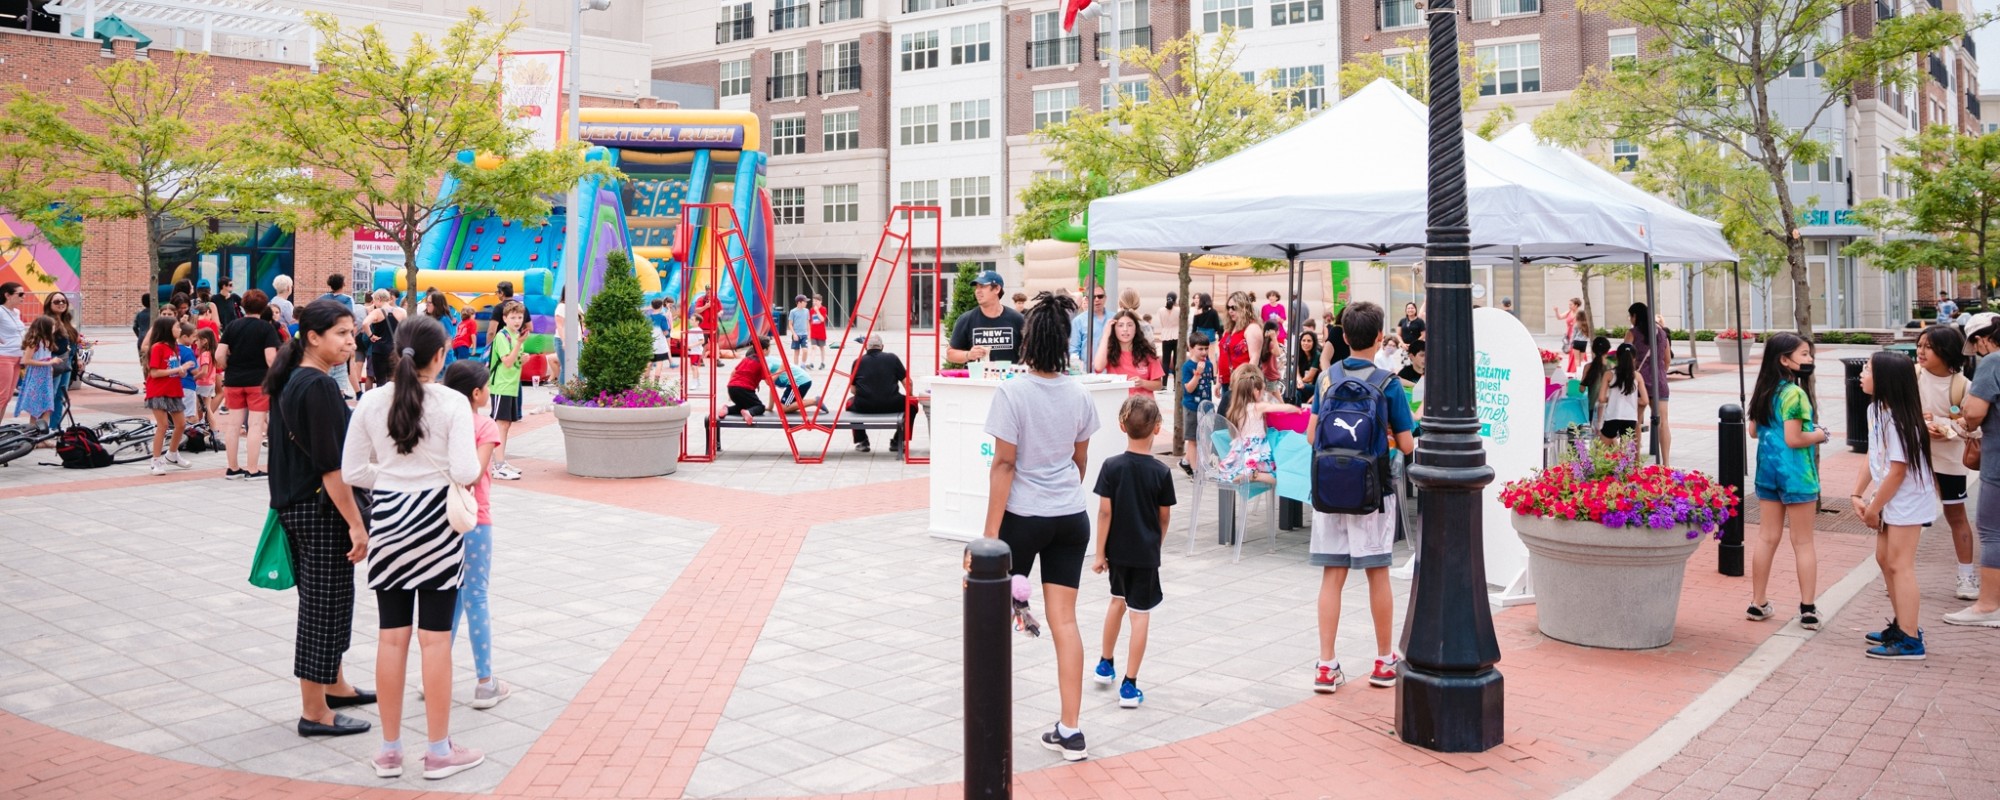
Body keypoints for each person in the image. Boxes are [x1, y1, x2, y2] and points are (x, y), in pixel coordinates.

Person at [342, 314, 484, 780]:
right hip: (438, 525)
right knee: (436, 639)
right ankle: (439, 750)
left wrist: (389, 479)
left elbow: (351, 472)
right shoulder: (452, 404)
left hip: (388, 522)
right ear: (440, 356)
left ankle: (388, 750)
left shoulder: (370, 401)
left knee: (391, 635)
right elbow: (465, 471)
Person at [982, 291, 1099, 762]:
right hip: (1071, 518)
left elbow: (1004, 466)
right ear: (1065, 341)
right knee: (1065, 622)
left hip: (1023, 519)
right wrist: (1063, 495)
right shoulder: (1080, 393)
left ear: (1028, 340)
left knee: (992, 620)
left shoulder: (1012, 391)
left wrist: (990, 539)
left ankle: (988, 724)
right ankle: (1071, 731)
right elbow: (1080, 459)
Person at [264, 299, 376, 739]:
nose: (351, 341)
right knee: (323, 609)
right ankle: (314, 711)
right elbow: (333, 467)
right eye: (342, 334)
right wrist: (356, 522)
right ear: (313, 337)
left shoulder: (295, 380)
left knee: (330, 602)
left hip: (298, 507)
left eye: (352, 333)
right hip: (320, 510)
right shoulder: (317, 386)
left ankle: (335, 685)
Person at [1308, 301, 1416, 692]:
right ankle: (1384, 661)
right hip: (1373, 491)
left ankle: (1325, 665)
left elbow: (1310, 435)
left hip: (1329, 490)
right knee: (1377, 573)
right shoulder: (1388, 383)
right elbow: (1406, 444)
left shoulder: (1326, 379)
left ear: (1344, 337)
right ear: (1376, 338)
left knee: (1331, 576)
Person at [1090, 394, 1176, 710]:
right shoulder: (1161, 472)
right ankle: (1130, 685)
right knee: (1140, 616)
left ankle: (1105, 663)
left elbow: (1104, 513)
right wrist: (1157, 543)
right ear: (1157, 428)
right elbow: (1164, 516)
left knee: (1117, 602)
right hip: (1145, 555)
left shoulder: (1111, 467)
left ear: (1121, 425)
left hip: (1117, 553)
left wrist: (1100, 554)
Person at [1852, 352, 1937, 660]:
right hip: (1890, 496)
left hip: (1906, 499)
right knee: (1884, 559)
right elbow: (1873, 456)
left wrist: (1874, 507)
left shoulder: (1899, 419)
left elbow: (1899, 470)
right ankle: (1903, 626)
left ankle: (1911, 639)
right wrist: (1857, 494)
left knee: (1900, 564)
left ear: (1886, 379)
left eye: (1868, 369)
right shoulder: (1876, 409)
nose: (1862, 374)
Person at [441, 361, 515, 709]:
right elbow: (474, 474)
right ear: (475, 393)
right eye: (485, 386)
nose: (488, 391)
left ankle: (435, 675)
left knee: (448, 598)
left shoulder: (440, 422)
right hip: (473, 517)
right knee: (477, 596)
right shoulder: (483, 425)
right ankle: (486, 682)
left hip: (438, 519)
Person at [1748, 332, 1829, 630]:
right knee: (1803, 541)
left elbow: (1754, 432)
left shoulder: (1764, 390)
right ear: (1785, 360)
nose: (1809, 360)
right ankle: (1808, 608)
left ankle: (1758, 603)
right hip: (1797, 475)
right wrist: (1822, 434)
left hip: (1767, 472)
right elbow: (1795, 439)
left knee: (1767, 537)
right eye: (1804, 354)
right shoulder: (1795, 394)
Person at [1916, 325, 1980, 602]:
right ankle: (1898, 572)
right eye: (1919, 345)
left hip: (1950, 461)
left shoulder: (1963, 386)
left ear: (1946, 351)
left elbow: (1974, 428)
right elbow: (1894, 411)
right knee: (1907, 517)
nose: (1920, 351)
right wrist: (1921, 423)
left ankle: (1966, 575)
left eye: (1927, 347)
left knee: (1956, 517)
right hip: (1916, 459)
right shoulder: (1911, 376)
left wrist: (1942, 425)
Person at [1947, 313, 2000, 627]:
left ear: (1982, 339)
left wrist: (1964, 415)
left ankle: (1989, 605)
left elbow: (1974, 413)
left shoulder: (1993, 363)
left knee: (1992, 531)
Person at [217, 290, 282, 480]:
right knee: (255, 425)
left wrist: (229, 366)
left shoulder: (232, 326)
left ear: (243, 306)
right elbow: (271, 358)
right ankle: (252, 469)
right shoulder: (266, 328)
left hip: (234, 380)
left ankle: (233, 468)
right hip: (258, 382)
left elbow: (219, 355)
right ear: (264, 307)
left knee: (233, 425)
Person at [1216, 364, 1297, 484]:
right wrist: (1296, 409)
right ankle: (1255, 476)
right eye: (1263, 391)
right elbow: (1282, 408)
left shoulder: (1236, 409)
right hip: (1257, 448)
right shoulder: (1258, 407)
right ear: (1256, 392)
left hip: (1241, 448)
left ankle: (1248, 473)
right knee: (1282, 476)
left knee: (1236, 470)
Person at [1626, 302, 1673, 465]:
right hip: (1659, 381)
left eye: (1630, 316)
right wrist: (1659, 372)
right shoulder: (1661, 333)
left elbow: (1626, 359)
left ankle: (1636, 461)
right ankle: (1666, 464)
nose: (1630, 319)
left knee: (1636, 422)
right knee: (1663, 423)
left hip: (1639, 383)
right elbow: (1667, 360)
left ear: (1635, 316)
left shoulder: (1632, 333)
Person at [947, 270, 1026, 365]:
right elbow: (950, 353)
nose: (977, 291)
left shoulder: (1018, 319)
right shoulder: (966, 319)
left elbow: (1033, 350)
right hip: (977, 379)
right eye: (976, 287)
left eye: (983, 286)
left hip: (1009, 378)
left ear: (997, 289)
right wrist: (969, 355)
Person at [486, 300, 526, 481]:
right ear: (505, 318)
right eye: (513, 317)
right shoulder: (503, 336)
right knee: (500, 424)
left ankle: (501, 461)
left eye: (519, 317)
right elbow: (507, 361)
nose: (517, 320)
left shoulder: (516, 335)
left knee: (506, 424)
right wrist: (518, 346)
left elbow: (515, 362)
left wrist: (523, 358)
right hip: (501, 385)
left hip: (511, 386)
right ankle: (498, 465)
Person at [848, 333, 908, 453]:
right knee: (911, 404)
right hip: (892, 404)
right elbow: (908, 383)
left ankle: (862, 441)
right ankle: (898, 441)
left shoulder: (857, 362)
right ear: (882, 347)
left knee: (849, 403)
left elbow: (852, 390)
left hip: (864, 406)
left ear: (866, 347)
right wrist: (909, 396)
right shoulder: (893, 358)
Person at [1093, 309, 1163, 396]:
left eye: (1129, 325)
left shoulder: (1146, 352)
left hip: (1142, 405)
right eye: (1120, 325)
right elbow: (1098, 367)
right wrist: (1106, 334)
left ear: (1136, 328)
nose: (1125, 329)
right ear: (1114, 329)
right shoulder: (1110, 351)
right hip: (1117, 404)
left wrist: (1143, 383)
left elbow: (1158, 384)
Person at [1215, 293, 1264, 414]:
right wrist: (1218, 382)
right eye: (1228, 307)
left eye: (1234, 308)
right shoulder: (1230, 328)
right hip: (1227, 381)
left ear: (1244, 307)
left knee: (1231, 418)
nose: (1230, 311)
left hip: (1241, 383)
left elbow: (1254, 359)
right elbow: (1223, 356)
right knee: (1228, 419)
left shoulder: (1252, 328)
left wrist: (1243, 383)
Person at [1176, 332, 1215, 475]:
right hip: (1192, 407)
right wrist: (1197, 373)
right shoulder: (1187, 366)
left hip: (1206, 406)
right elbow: (1189, 388)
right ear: (1191, 348)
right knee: (1193, 440)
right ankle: (1195, 471)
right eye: (1200, 349)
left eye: (1206, 348)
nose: (1204, 352)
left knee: (1203, 438)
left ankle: (1185, 462)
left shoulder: (1208, 363)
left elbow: (1208, 383)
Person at [1595, 343, 1649, 443]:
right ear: (1634, 358)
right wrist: (1631, 399)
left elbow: (1601, 398)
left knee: (1602, 452)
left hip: (1612, 416)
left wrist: (1613, 399)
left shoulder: (1608, 374)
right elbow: (1645, 401)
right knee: (1625, 454)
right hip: (1630, 417)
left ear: (1617, 357)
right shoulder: (1637, 376)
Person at [15, 316, 59, 433]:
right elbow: (26, 360)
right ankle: (33, 435)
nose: (54, 328)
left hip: (46, 377)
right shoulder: (35, 342)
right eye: (52, 326)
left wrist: (50, 366)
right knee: (36, 408)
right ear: (46, 327)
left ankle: (42, 435)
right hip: (36, 376)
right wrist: (48, 363)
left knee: (48, 407)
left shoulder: (48, 341)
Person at [41, 292, 76, 427]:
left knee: (60, 396)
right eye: (56, 302)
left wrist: (77, 359)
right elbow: (43, 344)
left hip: (66, 362)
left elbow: (72, 343)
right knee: (50, 395)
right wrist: (48, 362)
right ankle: (43, 428)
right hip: (54, 361)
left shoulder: (66, 320)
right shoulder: (48, 321)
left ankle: (55, 428)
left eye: (63, 301)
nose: (61, 303)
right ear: (49, 304)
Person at [724, 335, 774, 423]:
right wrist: (781, 371)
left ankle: (727, 410)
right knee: (760, 407)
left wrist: (729, 392)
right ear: (764, 350)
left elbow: (733, 373)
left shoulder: (746, 359)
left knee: (743, 405)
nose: (770, 350)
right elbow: (769, 382)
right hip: (744, 389)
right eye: (769, 348)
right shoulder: (762, 362)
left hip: (731, 387)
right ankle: (749, 413)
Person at [364, 290, 406, 391]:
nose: (374, 303)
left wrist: (371, 336)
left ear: (379, 299)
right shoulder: (401, 312)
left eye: (374, 300)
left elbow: (365, 324)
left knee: (381, 381)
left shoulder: (377, 312)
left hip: (379, 349)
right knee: (395, 380)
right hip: (395, 349)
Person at [1068, 285, 1110, 366]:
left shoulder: (1114, 318)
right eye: (1093, 297)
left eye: (1100, 296)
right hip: (1087, 371)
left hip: (1111, 371)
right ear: (1087, 299)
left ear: (1105, 298)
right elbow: (1074, 350)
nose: (1097, 299)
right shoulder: (1078, 321)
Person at [0, 282, 24, 420]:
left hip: (17, 357)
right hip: (4, 357)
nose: (23, 297)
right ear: (7, 295)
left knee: (8, 396)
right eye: (20, 294)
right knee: (2, 396)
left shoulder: (16, 312)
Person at [1290, 329, 1323, 407]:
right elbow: (1296, 372)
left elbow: (1310, 378)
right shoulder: (1298, 354)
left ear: (1314, 343)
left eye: (1309, 341)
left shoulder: (1317, 355)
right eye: (1303, 340)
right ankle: (1296, 413)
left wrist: (1299, 382)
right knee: (1296, 392)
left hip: (1314, 387)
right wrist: (1298, 381)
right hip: (1301, 386)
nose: (1306, 343)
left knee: (1291, 384)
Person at [194, 328, 219, 426]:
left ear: (204, 341)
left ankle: (201, 425)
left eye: (197, 340)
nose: (196, 343)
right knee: (207, 408)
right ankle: (212, 428)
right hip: (210, 383)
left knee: (199, 408)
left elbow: (204, 372)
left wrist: (193, 378)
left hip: (202, 384)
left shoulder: (204, 355)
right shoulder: (211, 354)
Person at [785, 294, 811, 367]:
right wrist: (794, 334)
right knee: (796, 352)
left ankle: (803, 365)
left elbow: (807, 322)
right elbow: (790, 324)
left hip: (804, 334)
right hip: (796, 335)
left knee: (805, 350)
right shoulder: (793, 312)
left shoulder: (806, 311)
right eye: (805, 301)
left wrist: (809, 334)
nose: (806, 303)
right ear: (799, 302)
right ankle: (796, 367)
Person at [1568, 305, 1594, 376]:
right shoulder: (1587, 325)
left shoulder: (1576, 325)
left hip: (1576, 342)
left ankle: (1578, 373)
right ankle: (1582, 373)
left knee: (1576, 359)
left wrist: (1570, 343)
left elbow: (1573, 335)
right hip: (1584, 343)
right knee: (1581, 360)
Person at [1158, 293, 1180, 369]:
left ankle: (1164, 380)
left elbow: (1162, 323)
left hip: (1165, 336)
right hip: (1177, 335)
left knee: (1165, 361)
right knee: (1176, 360)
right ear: (1175, 299)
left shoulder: (1161, 310)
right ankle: (1176, 379)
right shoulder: (1178, 310)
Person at [809, 294, 830, 370]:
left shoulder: (823, 309)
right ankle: (811, 363)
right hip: (813, 332)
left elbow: (822, 319)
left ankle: (822, 363)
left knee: (822, 348)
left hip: (821, 332)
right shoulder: (811, 310)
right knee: (813, 347)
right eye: (813, 301)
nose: (814, 302)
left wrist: (817, 311)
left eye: (816, 301)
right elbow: (811, 321)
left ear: (820, 301)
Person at [132, 292, 154, 359]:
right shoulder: (155, 314)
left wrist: (139, 335)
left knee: (143, 361)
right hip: (153, 339)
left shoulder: (139, 314)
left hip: (141, 339)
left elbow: (134, 327)